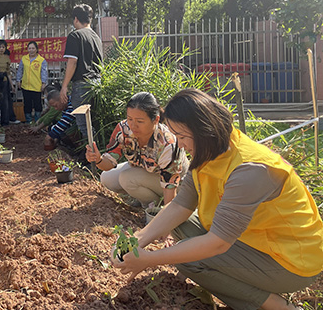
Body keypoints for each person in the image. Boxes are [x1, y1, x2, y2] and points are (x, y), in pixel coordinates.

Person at [114, 88, 323, 310]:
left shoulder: (248, 169)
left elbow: (218, 243)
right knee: (181, 225)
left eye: (183, 137)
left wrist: (150, 259)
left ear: (204, 131)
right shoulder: (209, 151)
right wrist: (136, 241)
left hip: (292, 261)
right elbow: (179, 206)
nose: (180, 145)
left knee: (187, 259)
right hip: (253, 241)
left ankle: (280, 306)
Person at [85, 92, 188, 207]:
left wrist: (169, 215)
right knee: (107, 177)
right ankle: (146, 197)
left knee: (127, 178)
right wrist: (98, 159)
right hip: (145, 169)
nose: (133, 125)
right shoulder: (123, 130)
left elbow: (170, 185)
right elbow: (108, 163)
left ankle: (153, 206)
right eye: (130, 119)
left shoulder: (167, 143)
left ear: (155, 120)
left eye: (140, 121)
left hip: (176, 184)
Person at [60, 4, 103, 140]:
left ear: (76, 19)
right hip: (97, 83)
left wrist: (64, 86)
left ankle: (91, 157)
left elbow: (72, 62)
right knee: (94, 121)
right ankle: (99, 153)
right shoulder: (96, 37)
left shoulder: (75, 35)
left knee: (84, 124)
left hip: (82, 84)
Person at [16, 41, 48, 123]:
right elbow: (20, 70)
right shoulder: (24, 58)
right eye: (29, 48)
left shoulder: (41, 60)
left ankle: (37, 121)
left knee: (37, 104)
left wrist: (43, 83)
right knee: (27, 104)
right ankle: (28, 121)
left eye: (33, 48)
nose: (31, 50)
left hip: (37, 86)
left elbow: (44, 72)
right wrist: (18, 80)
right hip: (25, 86)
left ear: (37, 49)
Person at [0, 40, 19, 125]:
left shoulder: (7, 58)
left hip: (5, 82)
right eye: (0, 47)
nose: (1, 49)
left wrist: (12, 85)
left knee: (5, 102)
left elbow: (8, 72)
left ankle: (5, 121)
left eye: (3, 47)